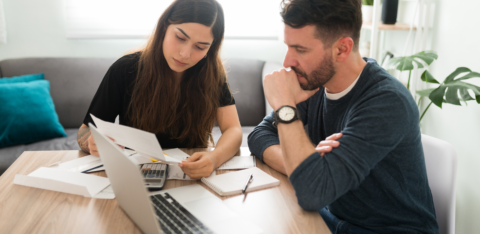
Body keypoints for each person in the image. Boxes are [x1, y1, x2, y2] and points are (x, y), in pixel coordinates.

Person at [247, 0, 439, 233]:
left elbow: (312, 192)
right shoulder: (315, 84)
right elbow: (259, 135)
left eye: (300, 49)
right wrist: (308, 167)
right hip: (334, 219)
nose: (287, 62)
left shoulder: (387, 101)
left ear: (342, 49)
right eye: (288, 46)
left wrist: (285, 106)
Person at [77, 0, 242, 180]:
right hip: (137, 176)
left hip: (191, 177)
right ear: (164, 27)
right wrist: (91, 143)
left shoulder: (213, 75)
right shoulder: (125, 69)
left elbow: (233, 129)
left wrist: (214, 158)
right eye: (180, 38)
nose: (185, 54)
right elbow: (85, 131)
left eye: (200, 47)